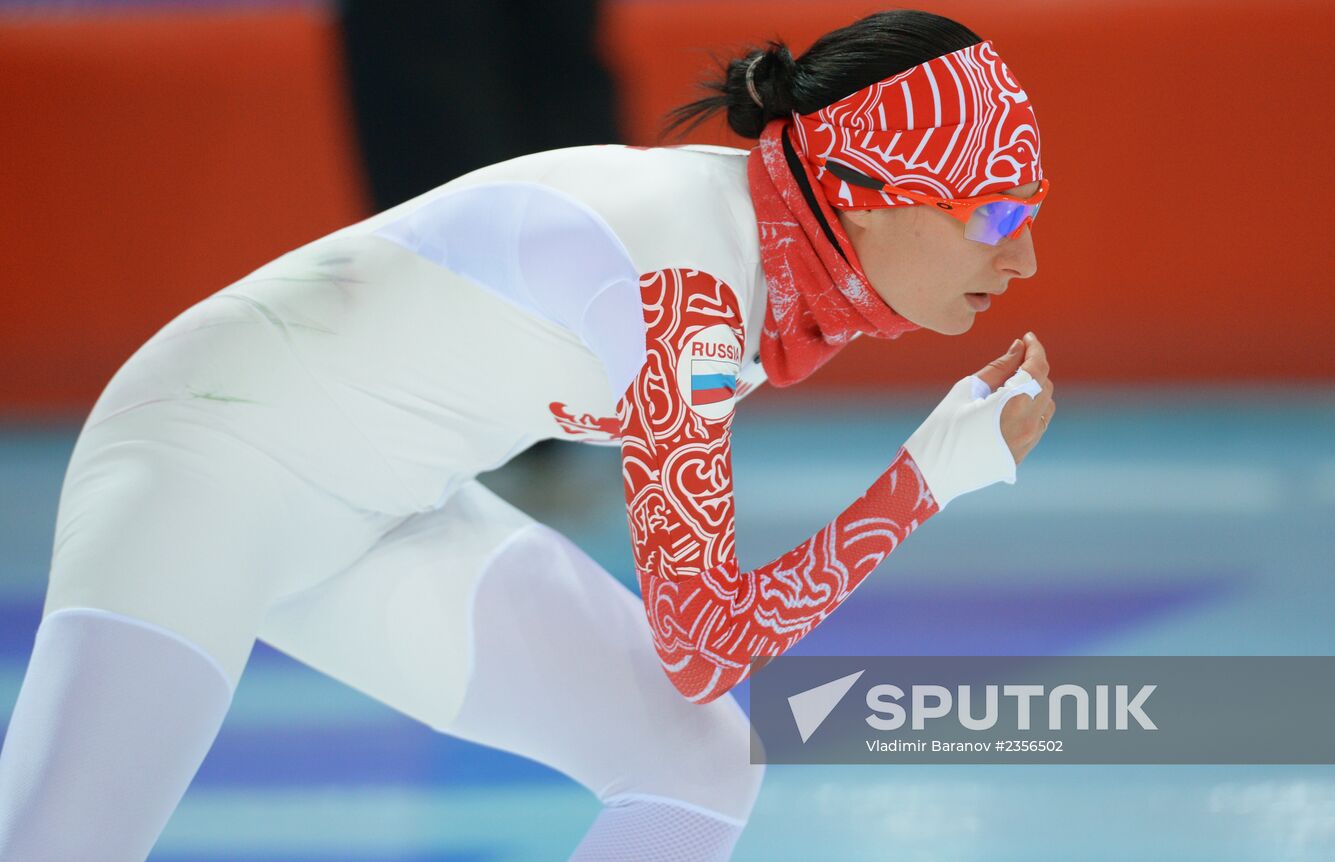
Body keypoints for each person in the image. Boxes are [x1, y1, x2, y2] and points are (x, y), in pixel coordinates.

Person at [0, 9, 1054, 862]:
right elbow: (702, 644)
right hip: (202, 465)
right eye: (995, 215)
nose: (1023, 257)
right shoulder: (689, 288)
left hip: (388, 514)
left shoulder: (765, 254)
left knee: (696, 766)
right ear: (865, 197)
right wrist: (923, 479)